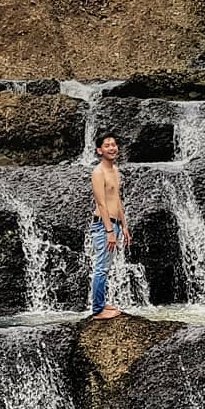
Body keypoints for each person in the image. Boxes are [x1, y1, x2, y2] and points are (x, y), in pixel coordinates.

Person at [89, 131, 131, 319]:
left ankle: (102, 302)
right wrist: (109, 231)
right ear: (99, 150)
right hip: (102, 226)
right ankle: (98, 310)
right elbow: (101, 203)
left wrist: (124, 226)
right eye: (107, 145)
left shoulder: (115, 171)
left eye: (113, 144)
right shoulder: (98, 172)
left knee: (106, 267)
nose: (112, 148)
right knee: (101, 267)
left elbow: (117, 200)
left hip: (114, 224)